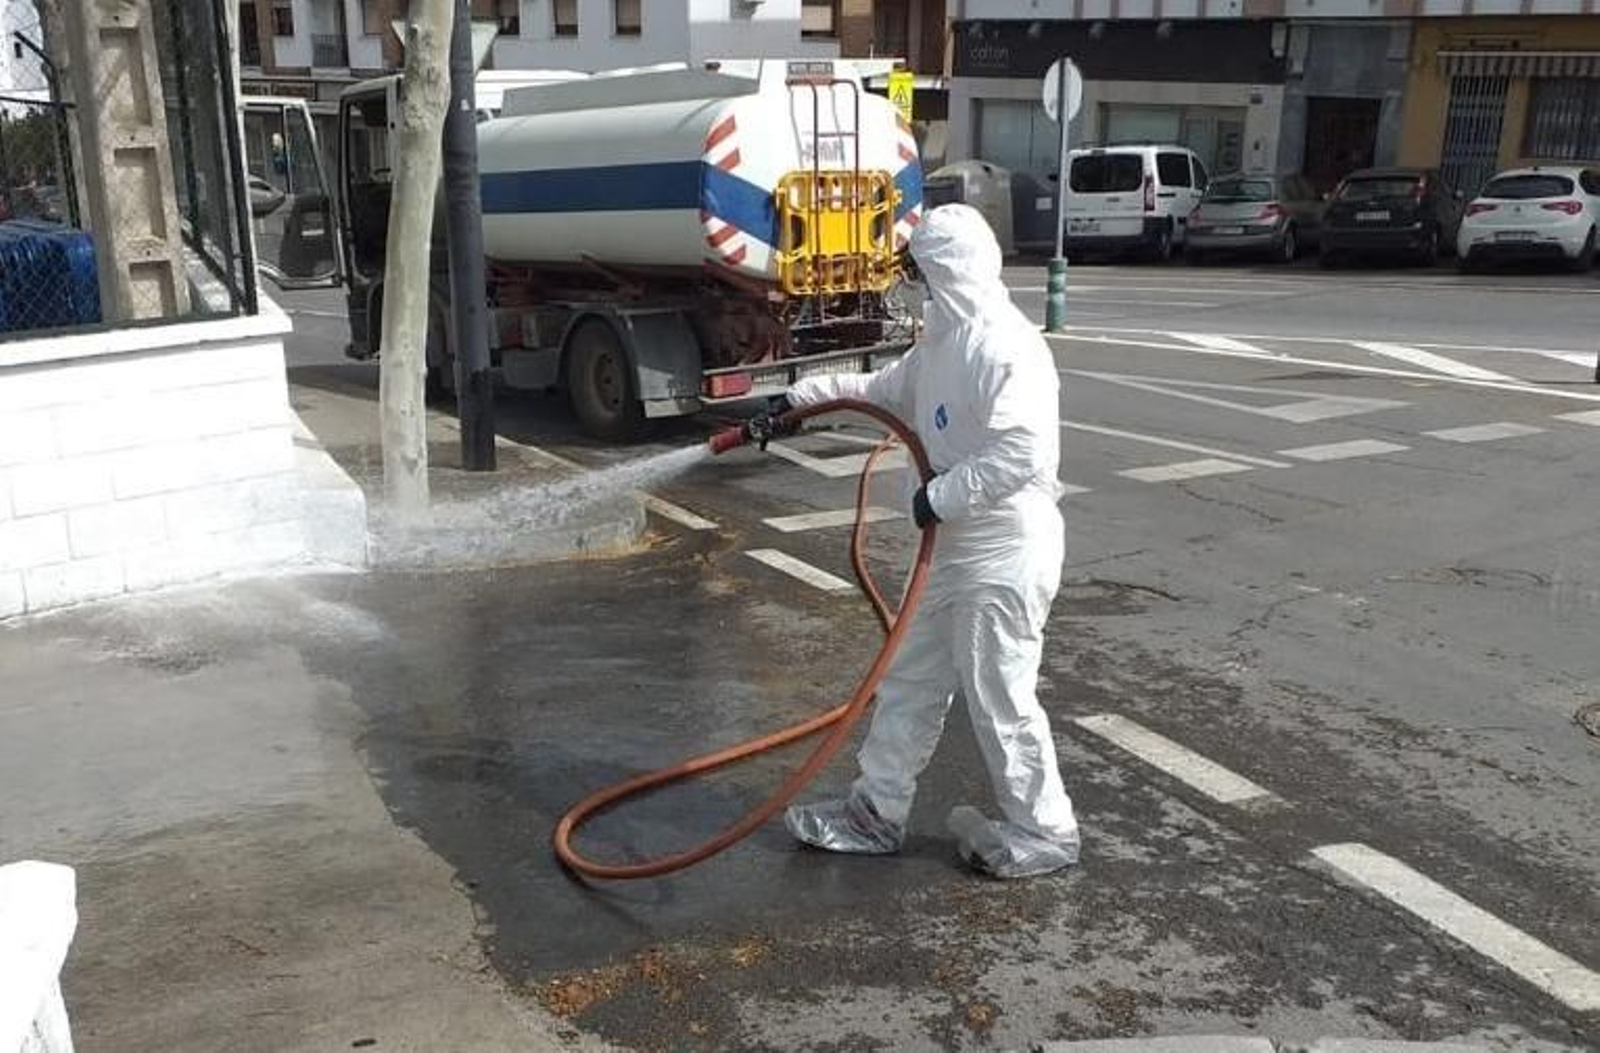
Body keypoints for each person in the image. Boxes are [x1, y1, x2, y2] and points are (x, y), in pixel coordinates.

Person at [775, 203, 1079, 879]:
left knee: (999, 693)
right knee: (910, 679)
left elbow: (1022, 450)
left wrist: (936, 496)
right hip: (954, 550)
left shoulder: (1006, 346)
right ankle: (875, 812)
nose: (911, 288)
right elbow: (877, 391)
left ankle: (1046, 827)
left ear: (949, 272)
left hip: (1004, 551)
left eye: (920, 273)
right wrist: (800, 399)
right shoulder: (939, 345)